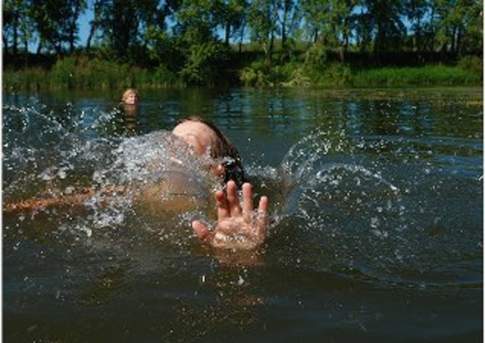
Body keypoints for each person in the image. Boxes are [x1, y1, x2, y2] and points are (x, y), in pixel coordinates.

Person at [4, 117, 270, 251]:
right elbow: (64, 203)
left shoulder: (227, 215)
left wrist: (236, 250)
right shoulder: (136, 190)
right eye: (169, 141)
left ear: (216, 170)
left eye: (186, 145)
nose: (169, 148)